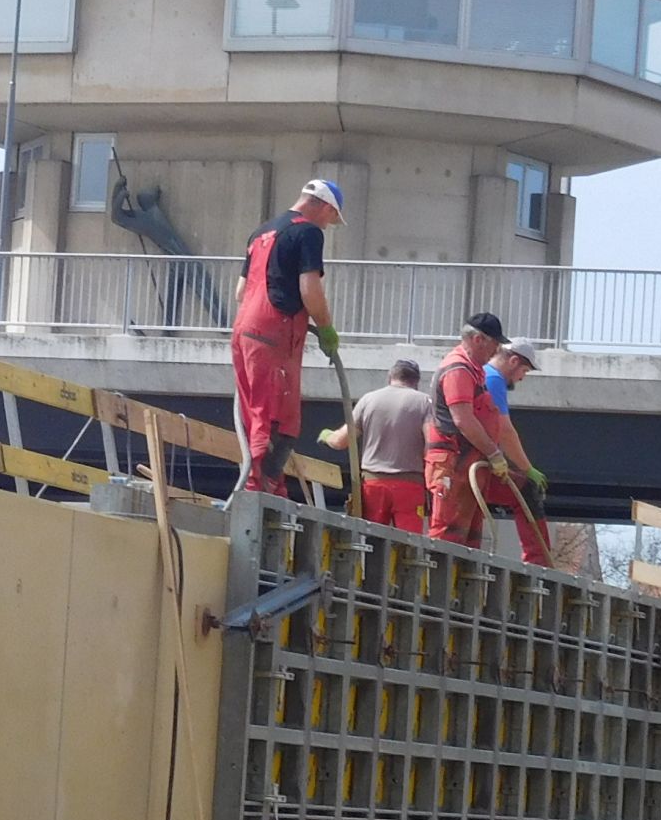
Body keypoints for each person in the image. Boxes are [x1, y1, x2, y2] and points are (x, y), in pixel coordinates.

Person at [228, 178, 343, 497]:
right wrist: (325, 327)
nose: (328, 225)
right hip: (273, 332)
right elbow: (310, 289)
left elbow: (240, 292)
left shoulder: (260, 232)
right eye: (331, 218)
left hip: (245, 332)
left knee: (257, 414)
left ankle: (269, 485)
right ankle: (258, 489)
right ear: (323, 206)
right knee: (277, 418)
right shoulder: (308, 232)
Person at [424, 312, 542, 555]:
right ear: (478, 339)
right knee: (449, 535)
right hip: (454, 463)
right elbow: (463, 419)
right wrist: (495, 453)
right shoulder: (458, 369)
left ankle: (459, 589)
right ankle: (439, 588)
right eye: (494, 343)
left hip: (470, 464)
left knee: (469, 539)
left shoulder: (475, 371)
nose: (497, 349)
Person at [324, 357, 433, 531]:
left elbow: (340, 441)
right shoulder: (425, 403)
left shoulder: (369, 400)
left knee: (370, 541)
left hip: (373, 485)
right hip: (410, 486)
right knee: (410, 547)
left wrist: (326, 435)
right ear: (416, 382)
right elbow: (432, 444)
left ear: (390, 378)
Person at [475, 338, 552, 564]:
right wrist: (528, 470)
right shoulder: (494, 379)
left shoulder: (483, 374)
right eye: (524, 371)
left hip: (469, 462)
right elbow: (506, 431)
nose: (522, 378)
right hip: (469, 464)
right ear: (514, 361)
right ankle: (539, 563)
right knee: (527, 490)